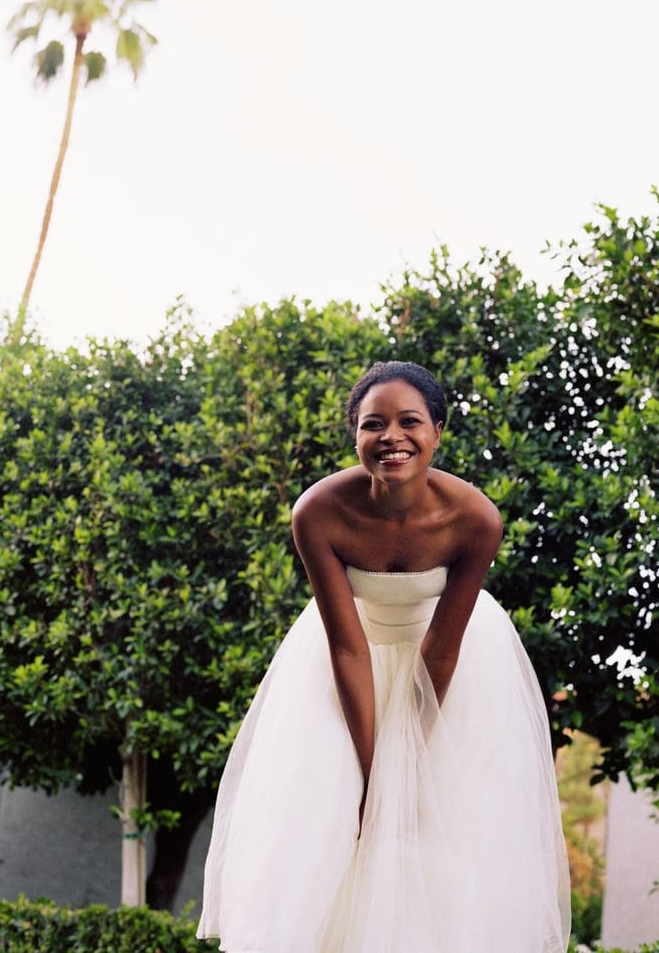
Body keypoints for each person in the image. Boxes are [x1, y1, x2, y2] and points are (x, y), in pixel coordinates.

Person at [197, 360, 570, 952]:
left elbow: (442, 651)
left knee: (435, 836)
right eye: (374, 424)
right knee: (325, 818)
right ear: (355, 435)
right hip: (346, 666)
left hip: (450, 673)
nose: (391, 437)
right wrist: (373, 776)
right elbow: (345, 647)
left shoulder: (476, 519)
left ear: (437, 432)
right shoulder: (318, 512)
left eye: (409, 422)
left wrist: (407, 766)